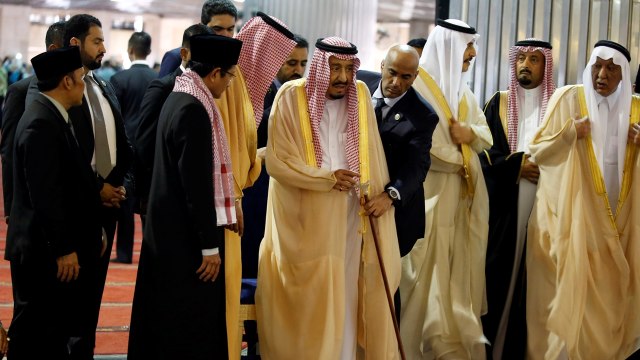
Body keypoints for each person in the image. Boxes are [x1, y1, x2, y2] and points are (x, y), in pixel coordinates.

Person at [256, 36, 401, 359]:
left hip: (351, 217)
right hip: (304, 221)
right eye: (335, 68)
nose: (342, 77)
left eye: (349, 69)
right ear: (321, 66)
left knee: (348, 290)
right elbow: (279, 164)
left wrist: (374, 192)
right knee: (312, 297)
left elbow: (372, 154)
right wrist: (325, 178)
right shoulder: (290, 97)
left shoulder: (360, 95)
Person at [128, 33, 242, 360]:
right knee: (188, 326)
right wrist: (209, 246)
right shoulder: (194, 108)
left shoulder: (182, 95)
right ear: (215, 73)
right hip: (185, 240)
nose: (231, 84)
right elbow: (196, 185)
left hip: (170, 232)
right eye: (230, 75)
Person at [527, 40, 640, 360]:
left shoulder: (636, 109)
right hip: (566, 224)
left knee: (608, 307)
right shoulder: (568, 98)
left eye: (611, 69)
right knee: (560, 307)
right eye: (597, 67)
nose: (602, 75)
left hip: (617, 229)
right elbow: (538, 151)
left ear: (623, 74)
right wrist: (568, 134)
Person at [399, 19, 493, 359]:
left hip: (460, 201)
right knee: (421, 279)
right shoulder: (417, 89)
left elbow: (485, 136)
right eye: (468, 46)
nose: (473, 54)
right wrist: (464, 160)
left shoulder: (463, 93)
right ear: (450, 46)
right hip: (426, 199)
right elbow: (424, 150)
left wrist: (470, 137)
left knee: (455, 277)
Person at [5, 45, 102, 359]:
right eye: (81, 78)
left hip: (48, 250)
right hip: (42, 253)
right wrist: (63, 249)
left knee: (51, 333)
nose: (85, 85)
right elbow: (46, 195)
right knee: (36, 335)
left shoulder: (53, 116)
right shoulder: (41, 123)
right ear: (68, 81)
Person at [214, 11, 297, 359]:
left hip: (256, 196)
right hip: (231, 197)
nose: (276, 64)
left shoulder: (262, 90)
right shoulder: (229, 87)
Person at [479, 39, 555, 360]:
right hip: (504, 213)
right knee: (498, 280)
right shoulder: (498, 102)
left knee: (536, 286)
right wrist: (516, 165)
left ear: (546, 65)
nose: (525, 64)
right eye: (521, 57)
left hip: (545, 208)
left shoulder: (557, 106)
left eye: (534, 59)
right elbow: (482, 154)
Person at [64, 14, 132, 357]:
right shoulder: (56, 91)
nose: (104, 48)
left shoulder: (103, 85)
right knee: (68, 311)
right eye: (97, 41)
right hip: (75, 212)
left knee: (91, 304)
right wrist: (96, 189)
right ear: (75, 44)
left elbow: (122, 143)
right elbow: (63, 159)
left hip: (108, 210)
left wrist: (122, 185)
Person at [357, 44, 439, 320]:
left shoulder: (422, 115)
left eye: (406, 77)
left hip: (393, 214)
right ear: (382, 66)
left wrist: (390, 195)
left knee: (385, 284)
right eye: (392, 73)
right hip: (352, 205)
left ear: (415, 77)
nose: (396, 83)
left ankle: (387, 344)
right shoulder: (359, 85)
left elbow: (418, 165)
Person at [241, 34, 309, 280]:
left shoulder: (306, 97)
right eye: (291, 63)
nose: (298, 70)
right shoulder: (260, 94)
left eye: (303, 63)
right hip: (258, 190)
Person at [134, 24, 213, 220]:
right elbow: (144, 143)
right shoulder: (163, 87)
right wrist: (145, 193)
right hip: (165, 191)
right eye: (201, 54)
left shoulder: (213, 89)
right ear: (185, 53)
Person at [1, 21, 66, 223]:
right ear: (53, 49)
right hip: (31, 204)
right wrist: (12, 209)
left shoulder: (81, 90)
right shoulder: (20, 91)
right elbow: (9, 153)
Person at [109, 31, 157, 264]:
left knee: (126, 204)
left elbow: (113, 117)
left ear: (130, 50)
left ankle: (125, 253)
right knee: (149, 202)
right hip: (151, 151)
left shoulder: (120, 80)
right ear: (148, 52)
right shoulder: (158, 79)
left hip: (126, 149)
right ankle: (151, 254)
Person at [158, 0, 237, 77]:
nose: (226, 35)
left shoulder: (229, 62)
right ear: (202, 26)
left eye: (230, 29)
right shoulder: (176, 57)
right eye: (217, 29)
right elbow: (161, 89)